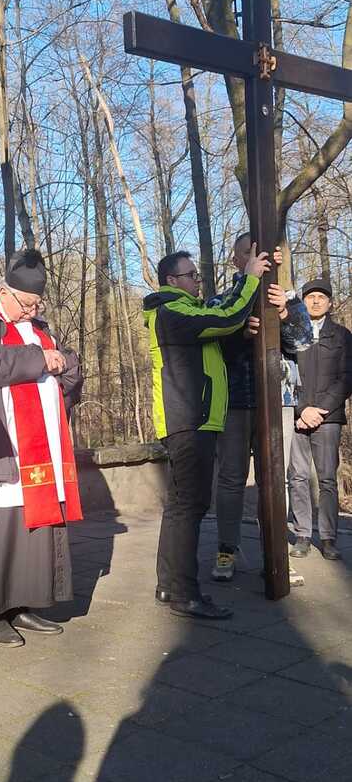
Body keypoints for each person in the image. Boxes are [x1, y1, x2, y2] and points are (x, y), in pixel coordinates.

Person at [0, 248, 83, 646]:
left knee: (28, 527)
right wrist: (42, 359)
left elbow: (66, 364)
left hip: (37, 444)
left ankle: (22, 602)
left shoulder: (36, 324)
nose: (32, 311)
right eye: (26, 304)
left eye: (38, 304)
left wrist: (62, 364)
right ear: (4, 292)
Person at [143, 244, 269, 620]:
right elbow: (227, 314)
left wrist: (241, 332)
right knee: (190, 507)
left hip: (192, 419)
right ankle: (185, 594)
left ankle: (169, 586)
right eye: (191, 275)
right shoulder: (172, 310)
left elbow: (219, 337)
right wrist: (250, 278)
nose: (198, 281)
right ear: (172, 280)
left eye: (197, 275)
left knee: (180, 506)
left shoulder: (184, 311)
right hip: (189, 420)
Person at [210, 233, 312, 585]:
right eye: (247, 252)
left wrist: (283, 312)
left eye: (262, 253)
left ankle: (276, 552)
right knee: (231, 478)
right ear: (236, 260)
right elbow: (212, 346)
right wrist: (239, 332)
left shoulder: (287, 298)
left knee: (275, 479)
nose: (257, 259)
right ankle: (226, 549)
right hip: (235, 401)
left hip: (278, 401)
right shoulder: (223, 300)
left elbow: (303, 341)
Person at [289, 278, 352, 562]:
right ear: (303, 302)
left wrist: (320, 410)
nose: (315, 301)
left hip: (328, 418)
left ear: (330, 303)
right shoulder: (291, 333)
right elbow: (285, 373)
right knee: (297, 477)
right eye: (310, 297)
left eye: (321, 297)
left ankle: (328, 538)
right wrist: (302, 409)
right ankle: (303, 534)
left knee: (327, 479)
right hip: (296, 416)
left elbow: (347, 378)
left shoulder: (342, 336)